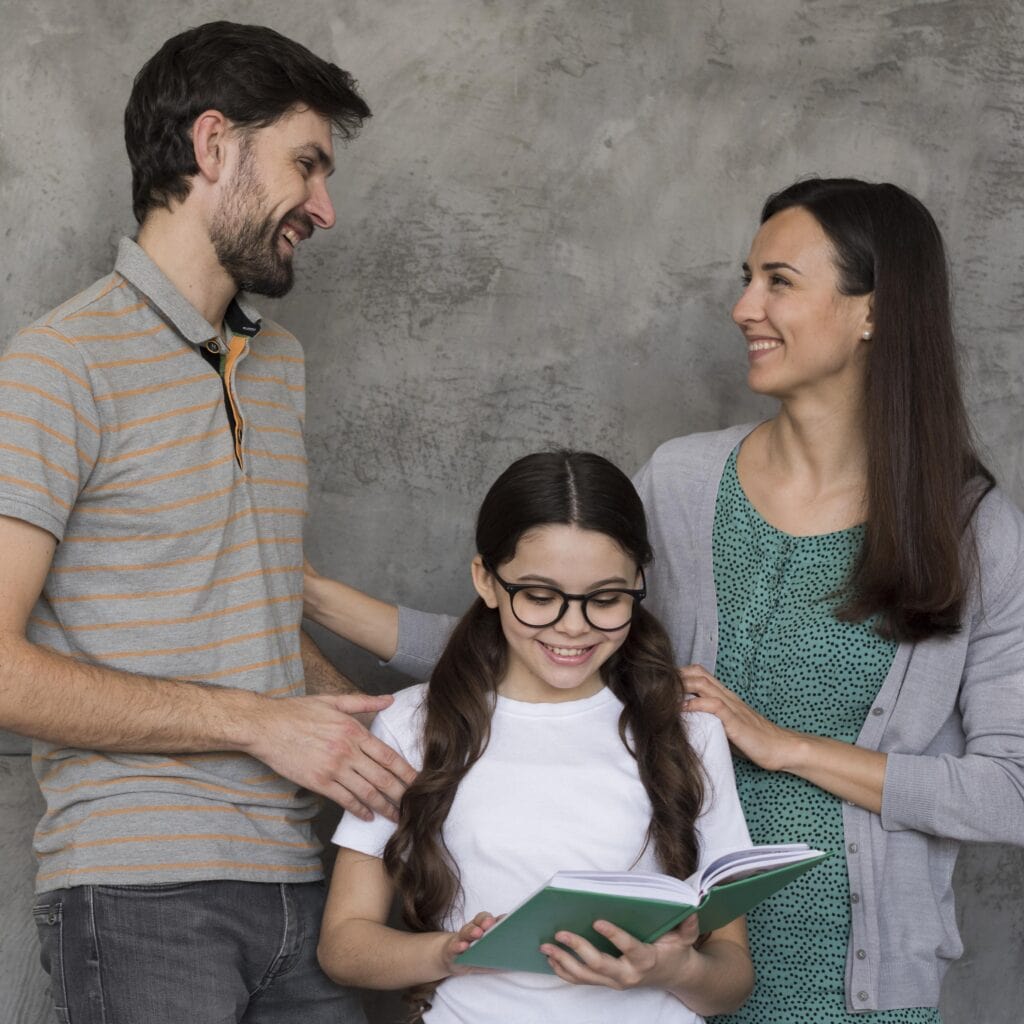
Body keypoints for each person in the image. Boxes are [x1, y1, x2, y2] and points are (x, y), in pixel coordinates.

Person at [304, 178, 1024, 1021]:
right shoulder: (686, 482)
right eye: (746, 277)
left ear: (875, 310)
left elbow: (1010, 790)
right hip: (653, 971)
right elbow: (555, 634)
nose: (743, 306)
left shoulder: (973, 530)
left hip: (856, 981)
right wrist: (308, 594)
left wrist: (784, 747)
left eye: (779, 281)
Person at [0, 21, 416, 1024]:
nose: (323, 207)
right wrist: (255, 722)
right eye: (306, 165)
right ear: (214, 146)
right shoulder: (58, 366)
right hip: (137, 896)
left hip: (299, 883)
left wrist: (374, 739)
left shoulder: (280, 367)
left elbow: (245, 615)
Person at [315, 450, 756, 1023]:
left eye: (605, 599)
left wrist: (675, 969)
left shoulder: (687, 727)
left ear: (639, 584)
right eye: (540, 597)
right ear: (487, 581)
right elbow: (344, 948)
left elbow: (732, 979)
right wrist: (448, 954)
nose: (573, 627)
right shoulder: (412, 723)